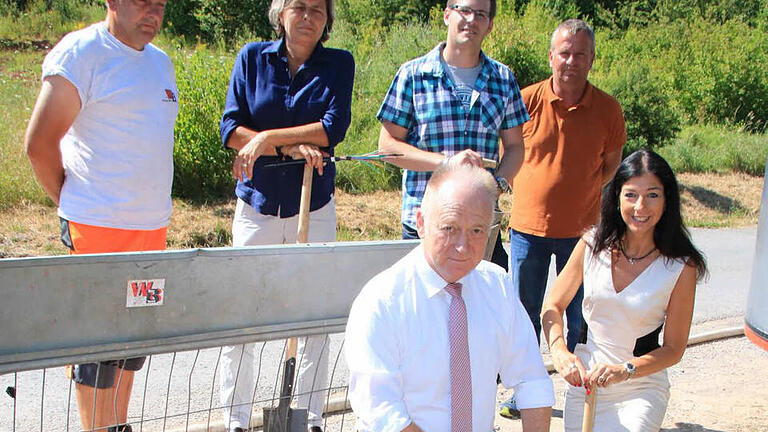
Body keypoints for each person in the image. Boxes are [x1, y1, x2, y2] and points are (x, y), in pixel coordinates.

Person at [24, 1, 176, 431]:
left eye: (160, 4)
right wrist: (75, 200)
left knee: (132, 346)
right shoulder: (81, 54)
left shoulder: (161, 63)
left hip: (151, 231)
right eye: (142, 1)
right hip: (96, 229)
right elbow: (39, 146)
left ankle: (116, 426)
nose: (153, 10)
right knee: (99, 352)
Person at [217, 0, 354, 430]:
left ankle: (310, 416)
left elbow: (333, 128)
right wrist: (291, 147)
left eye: (318, 9)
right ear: (281, 14)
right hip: (257, 205)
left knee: (315, 315)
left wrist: (268, 140)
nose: (308, 16)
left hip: (312, 208)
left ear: (327, 19)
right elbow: (230, 129)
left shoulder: (338, 64)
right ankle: (236, 419)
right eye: (299, 6)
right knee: (244, 315)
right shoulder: (251, 59)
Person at [345, 163, 553, 432]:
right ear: (420, 223)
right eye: (449, 228)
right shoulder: (382, 301)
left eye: (477, 230)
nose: (462, 246)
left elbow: (531, 380)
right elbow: (382, 411)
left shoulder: (497, 287)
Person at [500, 18, 626, 419]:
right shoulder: (525, 101)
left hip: (585, 235)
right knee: (524, 318)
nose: (571, 61)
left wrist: (581, 195)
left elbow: (611, 168)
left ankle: (584, 391)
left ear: (591, 60)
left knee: (582, 318)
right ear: (551, 56)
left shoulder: (608, 110)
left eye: (580, 54)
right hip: (527, 230)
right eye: (565, 53)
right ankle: (524, 395)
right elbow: (508, 153)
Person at [541, 150, 708, 431]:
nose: (640, 206)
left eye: (653, 195)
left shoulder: (681, 266)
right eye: (631, 194)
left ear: (667, 201)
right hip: (587, 382)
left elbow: (673, 349)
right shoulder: (592, 245)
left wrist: (625, 370)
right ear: (616, 196)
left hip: (640, 388)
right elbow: (552, 307)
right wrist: (560, 352)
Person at [377, 0, 527, 271]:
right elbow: (388, 147)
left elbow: (515, 147)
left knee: (483, 308)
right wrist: (446, 163)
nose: (471, 19)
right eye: (464, 10)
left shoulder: (503, 79)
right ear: (447, 14)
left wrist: (498, 185)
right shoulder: (413, 75)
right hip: (425, 224)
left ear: (490, 25)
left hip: (480, 228)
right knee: (422, 310)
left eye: (481, 14)